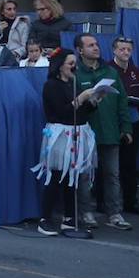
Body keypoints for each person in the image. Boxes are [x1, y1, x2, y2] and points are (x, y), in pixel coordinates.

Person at [33, 48, 99, 236]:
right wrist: (81, 98)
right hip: (61, 134)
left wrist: (93, 101)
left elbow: (82, 111)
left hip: (77, 132)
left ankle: (69, 217)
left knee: (73, 176)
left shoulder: (74, 83)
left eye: (74, 63)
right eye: (70, 63)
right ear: (60, 66)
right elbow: (61, 111)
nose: (74, 66)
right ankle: (45, 218)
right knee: (55, 176)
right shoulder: (51, 85)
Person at [74, 33, 133, 230]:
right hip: (85, 133)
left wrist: (126, 127)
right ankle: (85, 212)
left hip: (110, 131)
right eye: (90, 45)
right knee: (84, 175)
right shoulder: (76, 74)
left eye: (97, 44)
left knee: (112, 175)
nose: (96, 48)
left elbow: (122, 102)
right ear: (80, 50)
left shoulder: (110, 72)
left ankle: (114, 213)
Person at [110, 36, 139, 217]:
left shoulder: (136, 72)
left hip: (134, 122)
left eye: (128, 49)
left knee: (130, 164)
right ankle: (107, 202)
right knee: (110, 166)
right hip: (113, 123)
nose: (125, 52)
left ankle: (130, 201)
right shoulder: (108, 70)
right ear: (114, 50)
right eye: (122, 49)